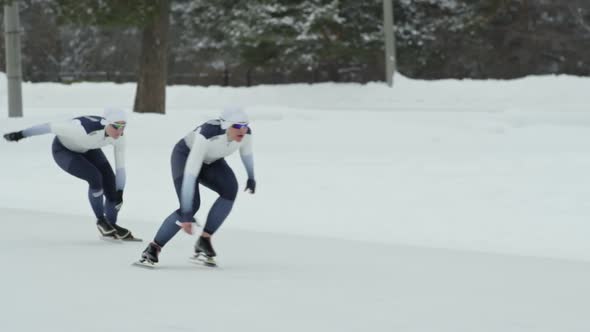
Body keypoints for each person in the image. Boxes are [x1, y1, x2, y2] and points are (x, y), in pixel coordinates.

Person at [139, 107, 256, 266]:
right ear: (225, 126)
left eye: (245, 125)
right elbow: (190, 175)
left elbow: (246, 154)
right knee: (191, 206)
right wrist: (187, 215)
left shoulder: (246, 134)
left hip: (212, 161)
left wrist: (251, 177)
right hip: (185, 157)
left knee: (230, 189)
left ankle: (204, 240)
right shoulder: (207, 135)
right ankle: (153, 247)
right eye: (237, 126)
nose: (242, 130)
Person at [3, 108, 138, 240]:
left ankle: (111, 224)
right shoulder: (79, 130)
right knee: (95, 177)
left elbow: (120, 168)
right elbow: (48, 127)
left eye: (123, 127)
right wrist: (20, 134)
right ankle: (101, 221)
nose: (119, 131)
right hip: (64, 151)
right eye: (116, 126)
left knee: (113, 188)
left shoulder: (119, 137)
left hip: (89, 148)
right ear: (107, 123)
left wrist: (120, 191)